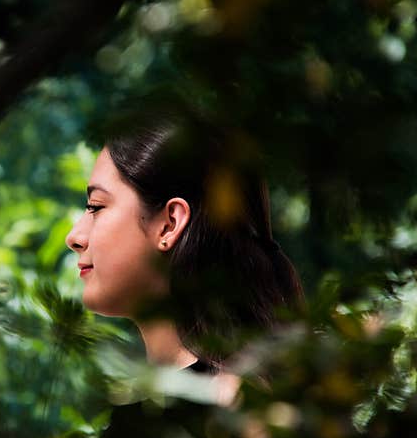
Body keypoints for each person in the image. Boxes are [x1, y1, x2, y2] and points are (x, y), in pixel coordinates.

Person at [64, 100, 304, 397]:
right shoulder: (233, 395)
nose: (74, 237)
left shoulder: (229, 405)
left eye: (96, 206)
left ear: (169, 224)